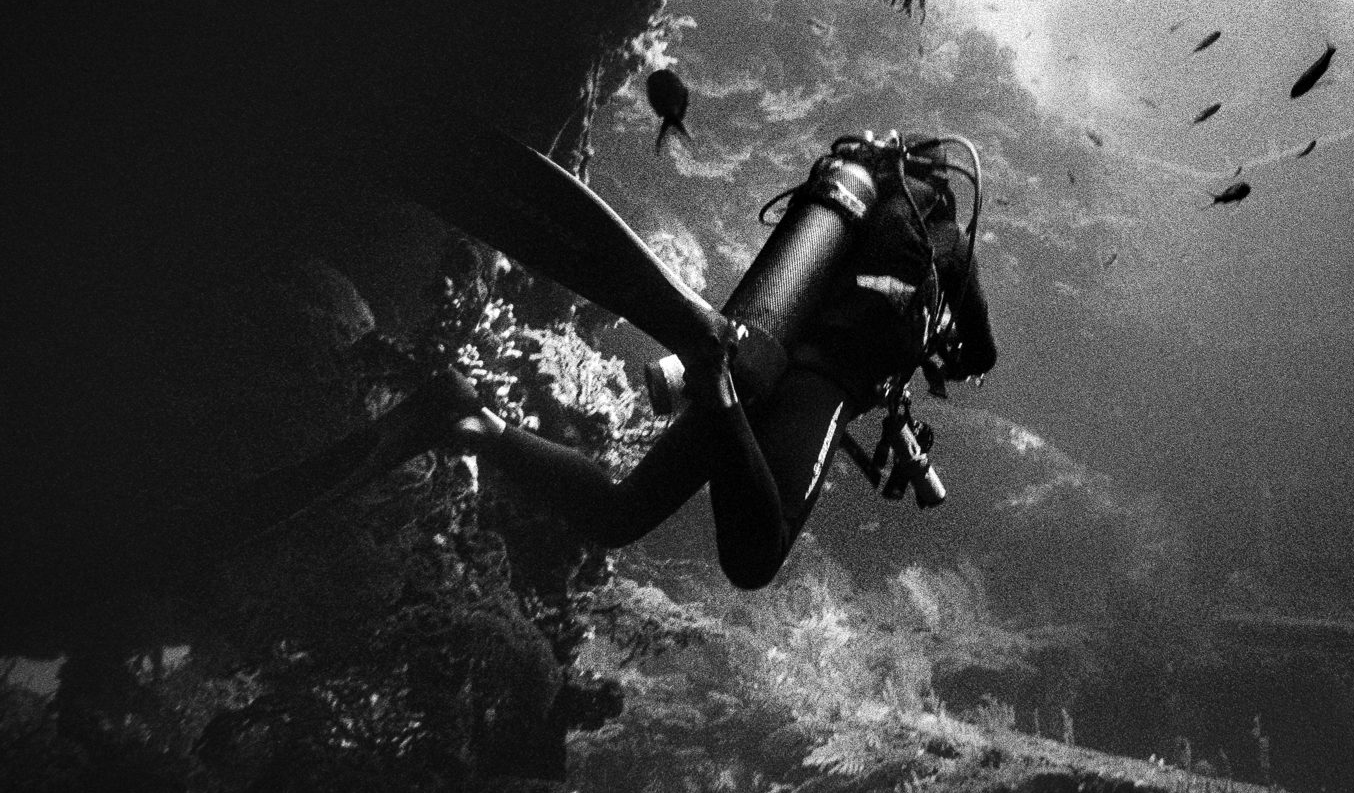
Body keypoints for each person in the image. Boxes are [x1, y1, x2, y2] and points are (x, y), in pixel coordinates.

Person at [373, 130, 996, 589]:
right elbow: (981, 353)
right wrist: (947, 348)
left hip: (756, 345)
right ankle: (715, 375)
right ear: (942, 192)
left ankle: (468, 419)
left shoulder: (855, 221)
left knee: (619, 515)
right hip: (814, 386)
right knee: (754, 559)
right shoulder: (949, 250)